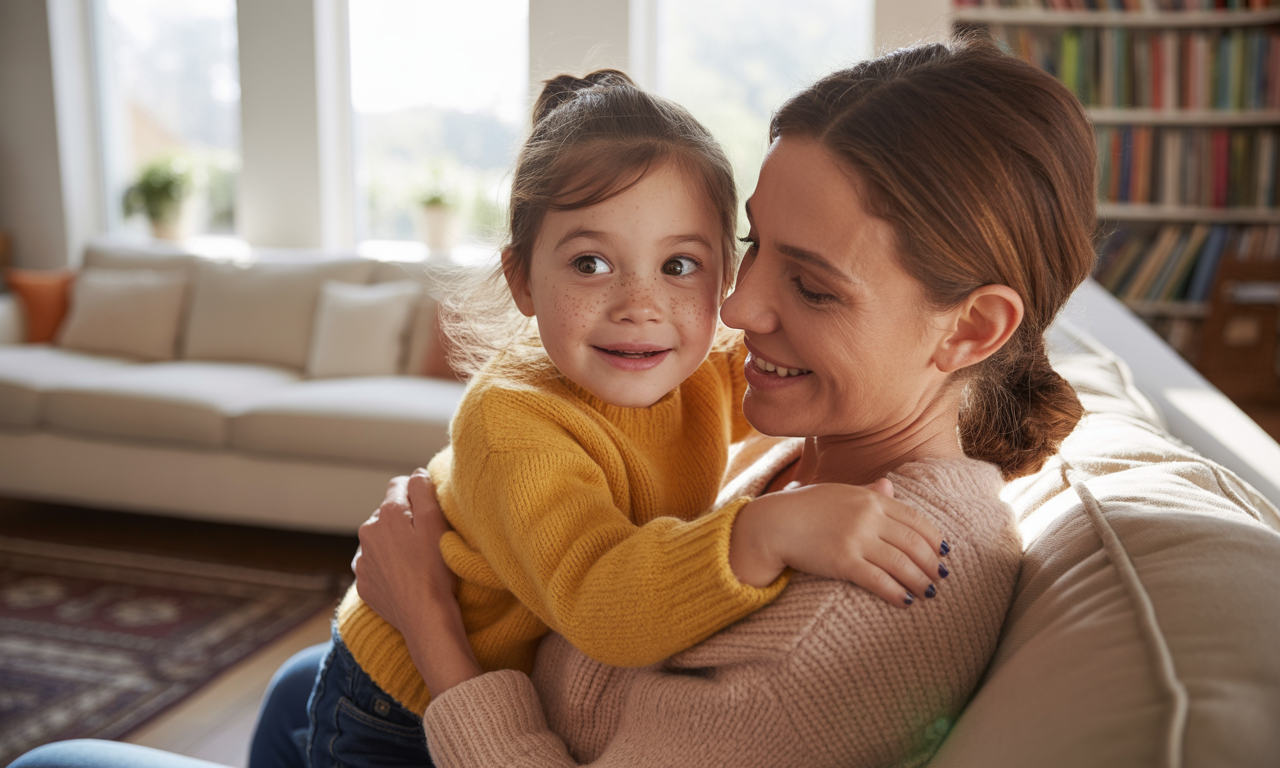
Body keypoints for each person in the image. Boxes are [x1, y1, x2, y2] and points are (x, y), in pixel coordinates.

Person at [10, 34, 1095, 768]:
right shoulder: (817, 439)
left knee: (62, 759)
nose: (740, 306)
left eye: (806, 283)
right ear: (522, 276)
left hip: (446, 689)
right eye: (755, 251)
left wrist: (433, 626)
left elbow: (618, 595)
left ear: (971, 330)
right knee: (305, 679)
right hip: (413, 673)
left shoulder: (874, 601)